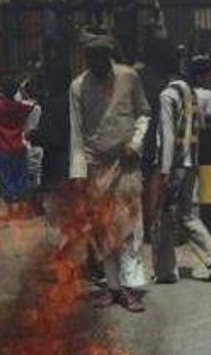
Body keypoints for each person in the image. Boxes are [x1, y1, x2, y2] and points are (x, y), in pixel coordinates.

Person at [69, 32, 151, 313]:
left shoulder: (129, 77)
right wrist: (79, 173)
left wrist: (135, 144)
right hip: (96, 166)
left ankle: (131, 288)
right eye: (91, 57)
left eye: (101, 56)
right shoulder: (78, 86)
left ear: (109, 55)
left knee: (128, 227)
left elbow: (143, 114)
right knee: (103, 228)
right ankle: (113, 287)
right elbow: (76, 134)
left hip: (126, 163)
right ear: (86, 58)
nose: (96, 62)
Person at [149, 42, 211, 283]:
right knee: (185, 213)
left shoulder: (167, 95)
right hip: (191, 161)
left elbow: (168, 134)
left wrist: (164, 170)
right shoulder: (190, 92)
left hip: (174, 165)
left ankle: (166, 271)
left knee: (163, 216)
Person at [0, 78, 35, 216]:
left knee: (7, 182)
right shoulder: (22, 107)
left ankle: (12, 215)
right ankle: (22, 213)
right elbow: (32, 102)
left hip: (3, 148)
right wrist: (22, 90)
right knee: (21, 182)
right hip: (19, 147)